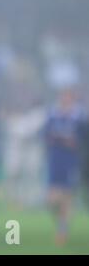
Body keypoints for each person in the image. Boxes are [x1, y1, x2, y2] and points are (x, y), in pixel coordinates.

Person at [44, 88, 85, 246]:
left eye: (68, 98)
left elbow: (81, 140)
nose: (65, 101)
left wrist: (74, 142)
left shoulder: (79, 118)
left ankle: (62, 229)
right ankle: (62, 222)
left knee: (67, 196)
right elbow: (46, 135)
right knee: (51, 200)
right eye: (63, 98)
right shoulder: (53, 116)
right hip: (55, 161)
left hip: (71, 162)